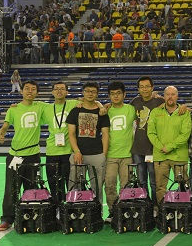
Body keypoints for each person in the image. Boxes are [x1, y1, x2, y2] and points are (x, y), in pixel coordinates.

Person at [0, 80, 46, 231]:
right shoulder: (14, 109)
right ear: (21, 91)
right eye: (27, 88)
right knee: (11, 188)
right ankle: (7, 219)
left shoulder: (41, 107)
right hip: (15, 156)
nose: (30, 91)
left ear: (37, 93)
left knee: (32, 187)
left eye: (33, 89)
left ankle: (31, 216)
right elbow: (6, 125)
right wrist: (1, 133)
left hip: (33, 155)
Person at [66, 82, 111, 205]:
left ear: (97, 94)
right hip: (78, 155)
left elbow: (105, 134)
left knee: (97, 187)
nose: (90, 94)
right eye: (87, 91)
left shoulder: (102, 113)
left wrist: (103, 155)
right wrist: (76, 151)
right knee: (74, 186)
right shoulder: (75, 111)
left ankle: (97, 212)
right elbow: (71, 133)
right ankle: (74, 211)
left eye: (93, 91)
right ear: (83, 92)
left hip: (97, 154)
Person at [147, 86, 192, 206]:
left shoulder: (185, 113)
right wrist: (161, 147)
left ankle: (184, 210)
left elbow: (185, 134)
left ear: (177, 96)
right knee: (160, 187)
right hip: (160, 156)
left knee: (184, 186)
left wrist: (169, 147)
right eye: (167, 94)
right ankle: (162, 210)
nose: (170, 97)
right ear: (164, 96)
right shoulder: (156, 112)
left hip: (179, 156)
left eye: (173, 94)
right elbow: (151, 132)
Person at [41, 82, 79, 207]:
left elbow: (91, 101)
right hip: (52, 151)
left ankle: (69, 210)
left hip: (68, 151)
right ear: (52, 92)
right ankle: (57, 210)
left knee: (70, 184)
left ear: (67, 92)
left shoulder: (73, 104)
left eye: (62, 89)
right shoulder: (46, 108)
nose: (59, 91)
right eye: (56, 89)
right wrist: (15, 106)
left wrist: (101, 105)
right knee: (54, 185)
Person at [105, 81, 136, 221]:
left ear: (124, 94)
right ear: (109, 96)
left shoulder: (131, 109)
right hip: (110, 155)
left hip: (127, 155)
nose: (115, 96)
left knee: (126, 185)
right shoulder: (105, 111)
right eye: (112, 94)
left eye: (118, 93)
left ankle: (125, 210)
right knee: (110, 185)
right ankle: (112, 211)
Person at [130, 76, 164, 197]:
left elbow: (173, 104)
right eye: (142, 87)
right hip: (138, 149)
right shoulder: (135, 102)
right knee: (141, 180)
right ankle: (145, 203)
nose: (144, 89)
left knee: (154, 181)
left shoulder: (159, 101)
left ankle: (155, 204)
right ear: (138, 89)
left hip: (153, 149)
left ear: (152, 87)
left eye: (147, 86)